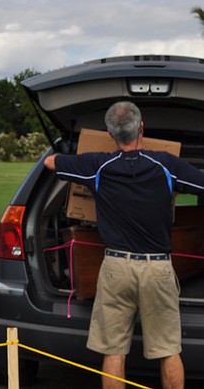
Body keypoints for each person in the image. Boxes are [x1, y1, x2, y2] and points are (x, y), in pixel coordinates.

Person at [45, 101, 204, 389]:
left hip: (116, 268)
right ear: (142, 128)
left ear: (110, 133)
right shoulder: (166, 165)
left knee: (114, 351)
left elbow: (51, 162)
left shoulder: (98, 166)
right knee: (169, 350)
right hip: (157, 270)